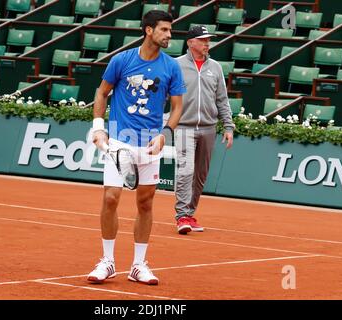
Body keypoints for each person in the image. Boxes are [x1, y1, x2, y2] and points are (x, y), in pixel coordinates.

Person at [87, 10, 186, 285]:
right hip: (119, 140)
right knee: (110, 198)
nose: (169, 35)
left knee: (145, 202)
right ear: (149, 30)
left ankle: (138, 265)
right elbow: (101, 92)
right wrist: (98, 127)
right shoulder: (122, 60)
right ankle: (107, 261)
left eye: (170, 30)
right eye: (164, 30)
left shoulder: (171, 67)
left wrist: (166, 133)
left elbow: (178, 106)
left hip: (151, 143)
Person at [174, 25, 234, 235]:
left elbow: (222, 99)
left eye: (208, 40)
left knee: (200, 175)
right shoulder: (176, 65)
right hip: (183, 127)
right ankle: (181, 216)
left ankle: (190, 213)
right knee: (185, 171)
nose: (207, 43)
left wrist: (228, 126)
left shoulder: (215, 67)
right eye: (203, 40)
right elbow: (164, 95)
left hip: (209, 128)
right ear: (191, 43)